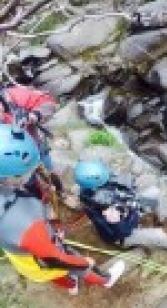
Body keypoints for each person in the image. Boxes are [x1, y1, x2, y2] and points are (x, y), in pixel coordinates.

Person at [0, 124, 125, 295]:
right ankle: (106, 281)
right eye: (27, 171)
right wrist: (84, 263)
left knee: (55, 275)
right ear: (9, 177)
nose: (32, 172)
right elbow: (55, 260)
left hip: (23, 258)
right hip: (41, 258)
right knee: (71, 265)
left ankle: (71, 285)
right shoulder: (25, 221)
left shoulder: (9, 201)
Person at [74, 160, 167, 254]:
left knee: (156, 193)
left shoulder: (88, 188)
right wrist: (130, 214)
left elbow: (120, 189)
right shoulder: (105, 210)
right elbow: (123, 231)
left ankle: (164, 218)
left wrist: (130, 202)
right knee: (158, 235)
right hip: (122, 236)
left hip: (127, 211)